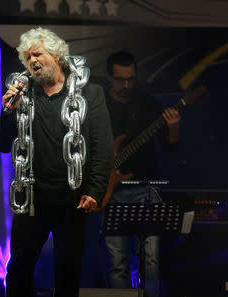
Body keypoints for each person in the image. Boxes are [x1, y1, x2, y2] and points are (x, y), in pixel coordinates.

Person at [0, 27, 113, 297]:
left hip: (72, 200)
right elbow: (3, 146)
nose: (32, 61)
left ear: (57, 55)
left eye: (37, 54)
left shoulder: (89, 93)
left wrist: (94, 191)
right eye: (28, 58)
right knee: (18, 271)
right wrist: (7, 113)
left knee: (68, 272)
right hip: (31, 200)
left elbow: (102, 146)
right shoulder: (23, 96)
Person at [103, 51, 181, 297]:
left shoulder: (147, 103)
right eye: (120, 80)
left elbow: (170, 146)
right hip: (112, 190)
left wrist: (174, 128)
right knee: (118, 263)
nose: (126, 85)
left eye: (131, 79)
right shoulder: (98, 104)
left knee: (152, 261)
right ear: (109, 77)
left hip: (146, 187)